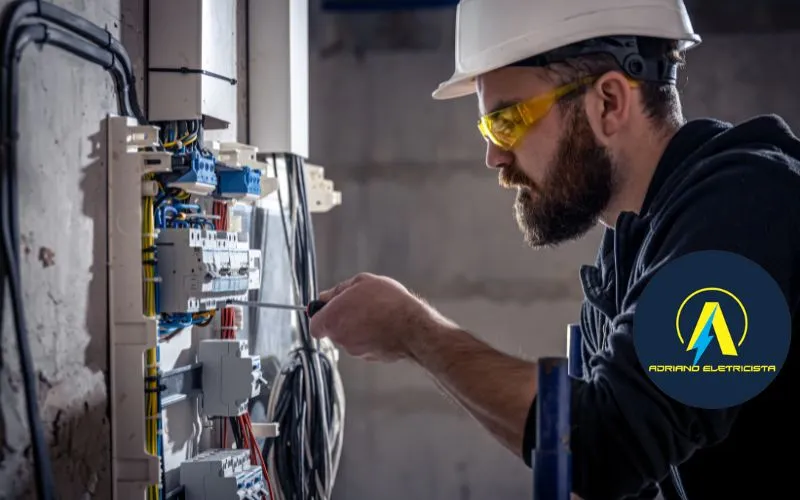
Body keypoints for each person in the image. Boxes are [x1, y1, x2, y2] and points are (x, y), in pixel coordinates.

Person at [309, 1, 798, 498]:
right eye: (489, 129)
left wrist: (415, 331)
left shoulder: (753, 209)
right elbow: (604, 471)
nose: (494, 156)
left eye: (508, 120)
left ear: (608, 102)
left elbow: (606, 446)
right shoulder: (631, 254)